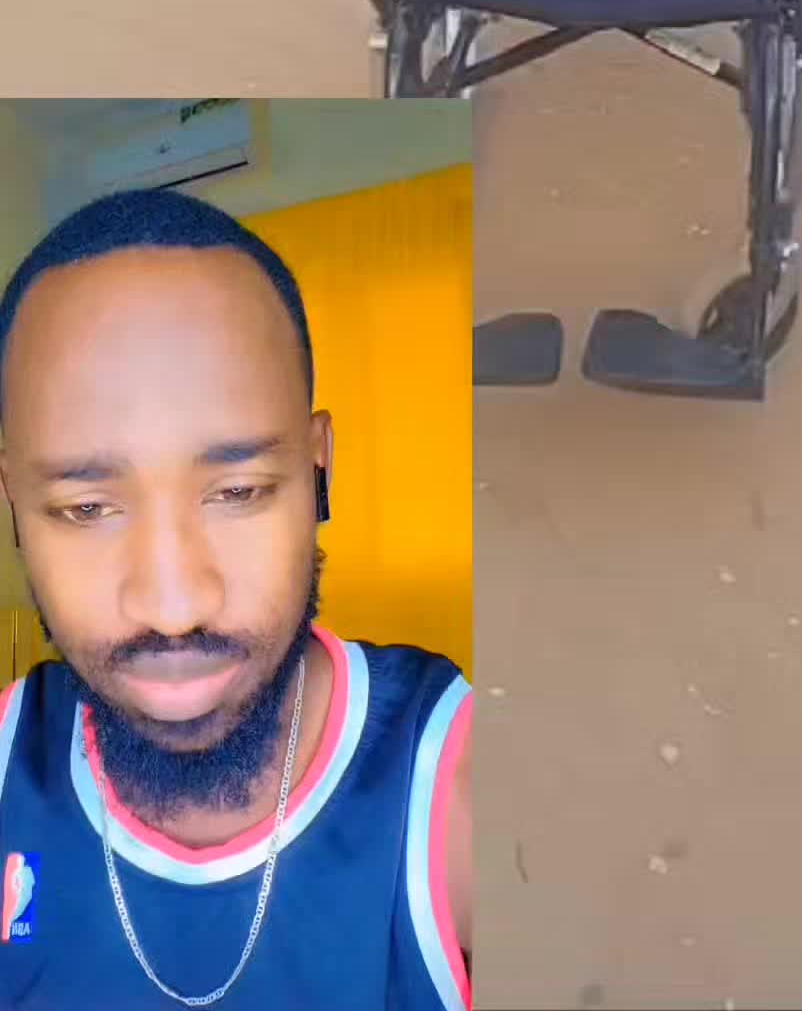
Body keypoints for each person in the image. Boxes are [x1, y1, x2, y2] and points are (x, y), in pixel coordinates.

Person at [0, 189, 471, 1010]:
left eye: (239, 491)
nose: (173, 606)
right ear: (13, 507)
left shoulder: (457, 777)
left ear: (319, 472)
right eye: (87, 508)